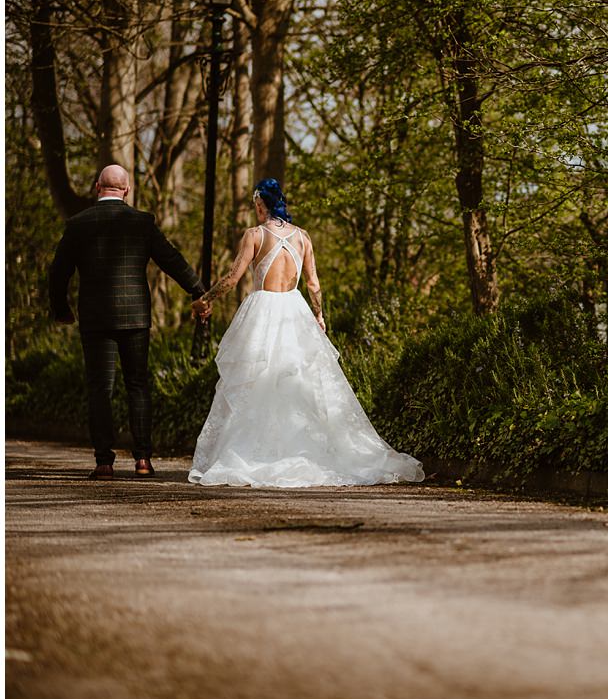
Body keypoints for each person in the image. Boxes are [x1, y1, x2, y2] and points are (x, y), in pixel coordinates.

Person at [188, 178, 424, 487]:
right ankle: (301, 448)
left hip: (264, 311)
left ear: (261, 205)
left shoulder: (255, 235)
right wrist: (319, 315)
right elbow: (313, 283)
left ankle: (261, 453)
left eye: (255, 205)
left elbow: (233, 277)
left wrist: (205, 300)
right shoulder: (303, 237)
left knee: (258, 382)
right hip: (295, 311)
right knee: (302, 382)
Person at [49, 164, 206, 480]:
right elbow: (171, 259)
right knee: (138, 385)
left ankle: (104, 462)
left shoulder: (78, 224)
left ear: (97, 187)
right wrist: (198, 290)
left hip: (95, 319)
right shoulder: (141, 222)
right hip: (134, 316)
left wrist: (61, 308)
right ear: (127, 190)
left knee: (100, 389)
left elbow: (58, 272)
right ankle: (143, 459)